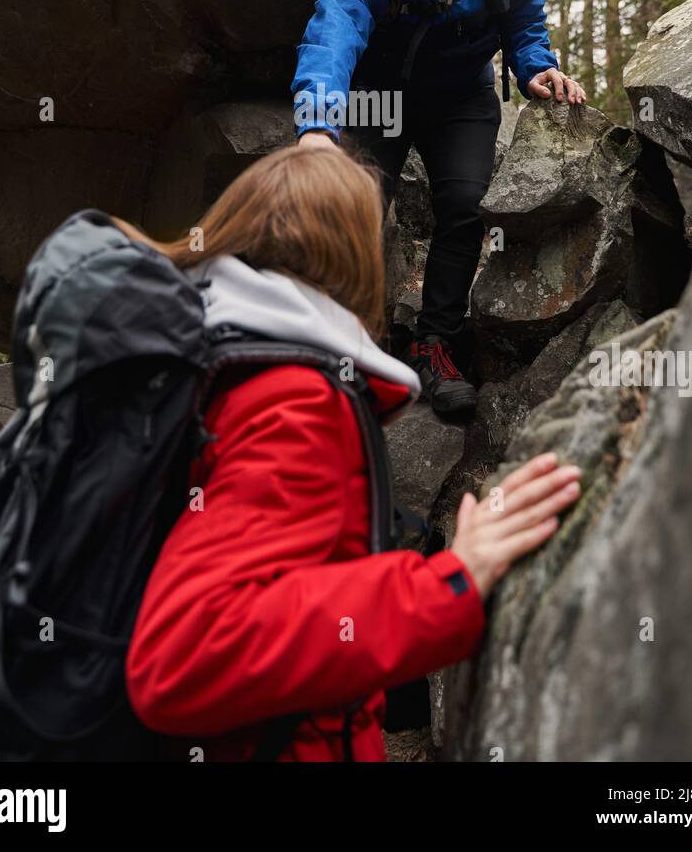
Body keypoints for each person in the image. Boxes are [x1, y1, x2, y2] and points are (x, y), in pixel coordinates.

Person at [123, 144, 581, 762]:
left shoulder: (212, 376)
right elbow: (186, 652)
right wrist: (448, 584)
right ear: (357, 257)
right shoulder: (289, 404)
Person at [291, 0, 586, 417]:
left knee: (466, 202)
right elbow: (331, 39)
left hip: (461, 96)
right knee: (348, 203)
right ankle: (342, 347)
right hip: (379, 97)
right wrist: (317, 129)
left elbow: (525, 19)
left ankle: (437, 345)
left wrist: (535, 67)